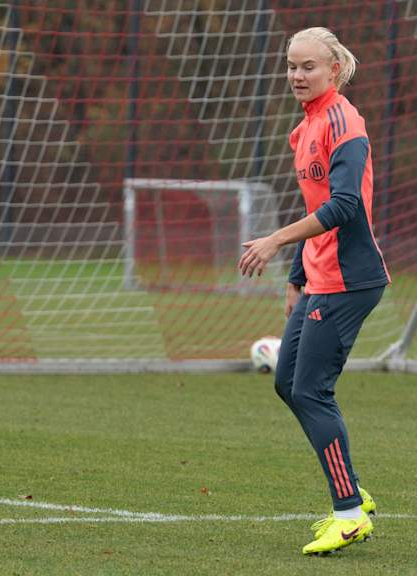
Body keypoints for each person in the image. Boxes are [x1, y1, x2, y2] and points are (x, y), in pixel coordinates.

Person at [238, 27, 389, 555]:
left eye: (308, 67)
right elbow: (315, 207)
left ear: (334, 69)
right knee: (288, 383)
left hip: (351, 281)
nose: (297, 76)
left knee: (310, 391)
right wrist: (297, 276)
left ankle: (348, 513)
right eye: (291, 66)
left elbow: (344, 206)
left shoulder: (345, 122)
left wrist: (277, 241)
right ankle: (352, 492)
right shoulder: (303, 130)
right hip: (320, 278)